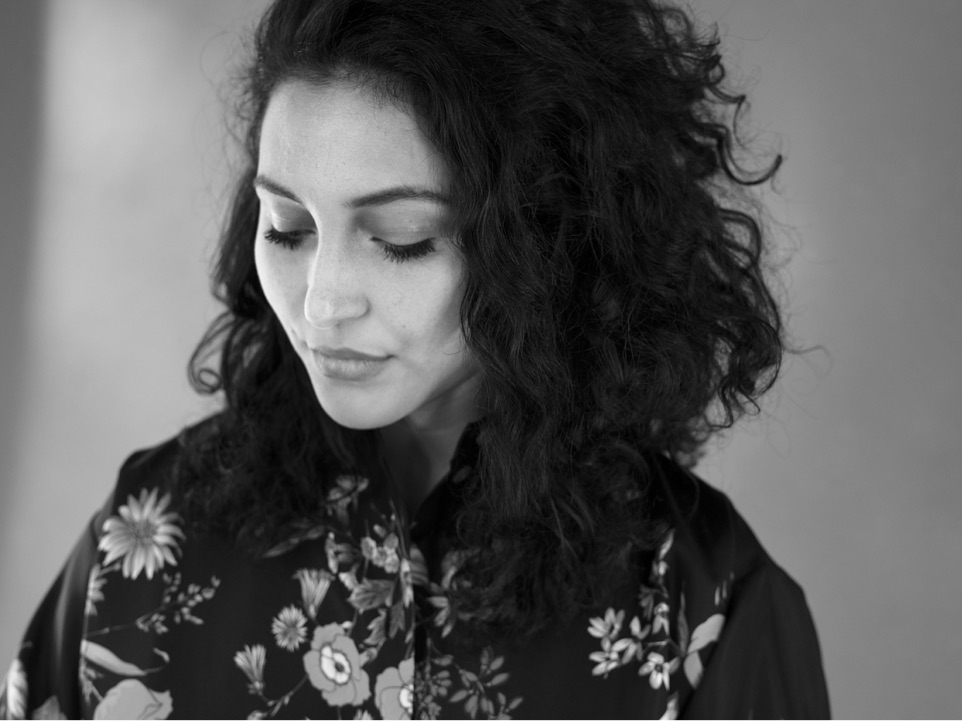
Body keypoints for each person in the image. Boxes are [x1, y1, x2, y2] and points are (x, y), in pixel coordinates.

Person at [1, 0, 830, 718]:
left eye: (401, 241)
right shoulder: (144, 537)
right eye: (287, 227)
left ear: (544, 242)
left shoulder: (705, 605)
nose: (323, 300)